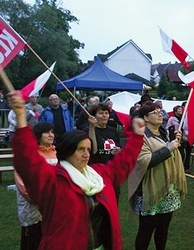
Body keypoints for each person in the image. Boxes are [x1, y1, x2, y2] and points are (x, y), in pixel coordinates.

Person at [9, 91, 145, 249]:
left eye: (88, 149)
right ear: (68, 151)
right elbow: (27, 161)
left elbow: (124, 163)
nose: (86, 154)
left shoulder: (99, 174)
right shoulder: (53, 180)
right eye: (81, 149)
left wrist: (137, 137)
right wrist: (20, 117)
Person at [127, 101, 187, 250]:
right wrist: (168, 149)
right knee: (146, 231)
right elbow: (145, 162)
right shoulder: (140, 136)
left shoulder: (163, 132)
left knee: (163, 229)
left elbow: (175, 156)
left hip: (167, 189)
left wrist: (175, 143)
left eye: (160, 111)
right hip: (150, 191)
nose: (160, 114)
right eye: (155, 112)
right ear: (146, 118)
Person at [14, 122, 56, 250]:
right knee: (33, 240)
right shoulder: (28, 155)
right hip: (34, 209)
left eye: (52, 132)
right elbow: (24, 187)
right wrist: (42, 200)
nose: (51, 135)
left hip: (53, 207)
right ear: (37, 136)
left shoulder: (55, 152)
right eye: (46, 132)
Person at [85, 103, 122, 203]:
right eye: (101, 113)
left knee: (113, 201)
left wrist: (118, 150)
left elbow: (119, 148)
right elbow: (93, 150)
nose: (105, 115)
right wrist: (92, 128)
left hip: (112, 173)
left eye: (106, 113)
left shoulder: (113, 131)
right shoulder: (88, 131)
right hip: (96, 172)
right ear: (94, 116)